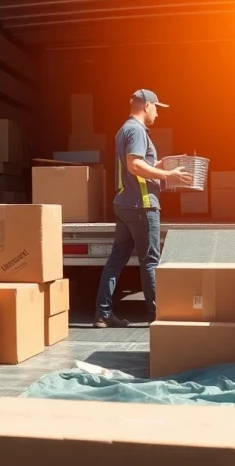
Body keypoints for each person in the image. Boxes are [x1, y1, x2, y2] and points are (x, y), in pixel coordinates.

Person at [94, 89, 193, 329]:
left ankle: (103, 313)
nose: (158, 113)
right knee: (150, 260)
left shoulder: (125, 129)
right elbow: (135, 166)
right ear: (146, 106)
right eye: (156, 107)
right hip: (142, 205)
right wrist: (168, 174)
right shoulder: (137, 131)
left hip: (124, 204)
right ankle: (157, 315)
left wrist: (161, 165)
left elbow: (139, 164)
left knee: (116, 259)